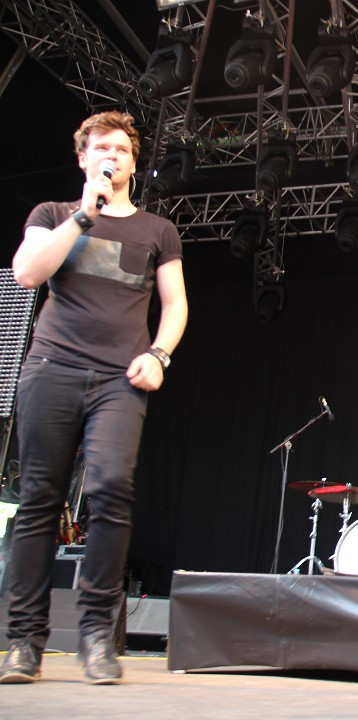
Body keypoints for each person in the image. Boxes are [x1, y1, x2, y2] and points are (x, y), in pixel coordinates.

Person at [1, 111, 188, 685]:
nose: (112, 156)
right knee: (39, 500)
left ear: (134, 162)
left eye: (122, 149)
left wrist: (158, 355)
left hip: (118, 379)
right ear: (84, 159)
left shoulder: (159, 231)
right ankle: (23, 643)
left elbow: (175, 305)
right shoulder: (54, 215)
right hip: (51, 368)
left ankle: (95, 638)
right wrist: (87, 212)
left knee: (111, 491)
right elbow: (28, 272)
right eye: (100, 148)